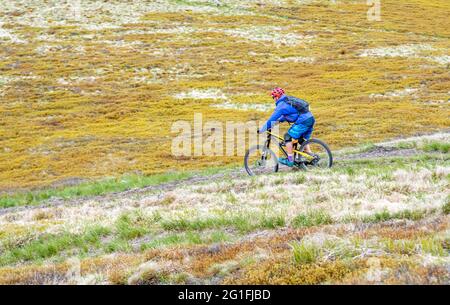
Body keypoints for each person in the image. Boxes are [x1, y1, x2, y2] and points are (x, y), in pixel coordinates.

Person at [258, 87, 315, 167]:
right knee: (302, 140)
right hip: (310, 118)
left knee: (287, 136)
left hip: (303, 121)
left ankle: (290, 160)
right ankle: (312, 157)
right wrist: (278, 122)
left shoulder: (281, 106)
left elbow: (271, 119)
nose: (274, 99)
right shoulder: (288, 100)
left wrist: (262, 129)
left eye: (273, 97)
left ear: (276, 97)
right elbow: (291, 114)